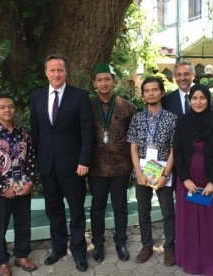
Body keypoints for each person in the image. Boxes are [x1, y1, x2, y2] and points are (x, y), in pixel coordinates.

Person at [30, 53, 95, 272]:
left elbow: (88, 132)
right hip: (48, 165)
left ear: (66, 72)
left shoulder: (79, 96)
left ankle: (78, 251)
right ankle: (58, 248)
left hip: (74, 166)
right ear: (46, 72)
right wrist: (37, 162)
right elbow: (36, 132)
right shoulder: (37, 97)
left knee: (76, 210)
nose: (56, 74)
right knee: (54, 209)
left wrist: (84, 160)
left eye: (60, 70)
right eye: (52, 70)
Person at [173, 84, 213, 275]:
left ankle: (209, 261)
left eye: (202, 98)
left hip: (210, 178)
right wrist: (185, 179)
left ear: (208, 99)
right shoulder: (182, 122)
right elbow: (178, 151)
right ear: (190, 100)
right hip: (188, 179)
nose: (198, 102)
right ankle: (190, 259)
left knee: (208, 220)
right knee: (188, 221)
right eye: (194, 98)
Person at [0, 94, 37, 275]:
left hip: (22, 189)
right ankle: (2, 260)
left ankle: (21, 256)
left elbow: (30, 160)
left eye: (10, 106)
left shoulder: (24, 133)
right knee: (0, 227)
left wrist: (28, 183)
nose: (7, 110)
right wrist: (4, 188)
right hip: (1, 192)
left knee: (23, 224)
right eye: (2, 107)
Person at [127, 76, 177, 266]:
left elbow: (174, 149)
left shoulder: (173, 119)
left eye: (154, 90)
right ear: (143, 95)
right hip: (142, 172)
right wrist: (138, 173)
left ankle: (169, 248)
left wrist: (165, 175)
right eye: (146, 90)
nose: (150, 93)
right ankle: (147, 245)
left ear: (162, 93)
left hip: (164, 171)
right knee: (143, 211)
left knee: (167, 212)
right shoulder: (137, 118)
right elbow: (133, 147)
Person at [88, 62, 134, 263]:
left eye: (107, 79)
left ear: (113, 81)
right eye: (100, 80)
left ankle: (120, 241)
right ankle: (98, 244)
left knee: (120, 206)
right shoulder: (88, 106)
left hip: (120, 166)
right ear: (94, 83)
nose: (104, 83)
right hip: (96, 167)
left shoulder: (126, 106)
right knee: (97, 207)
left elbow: (134, 137)